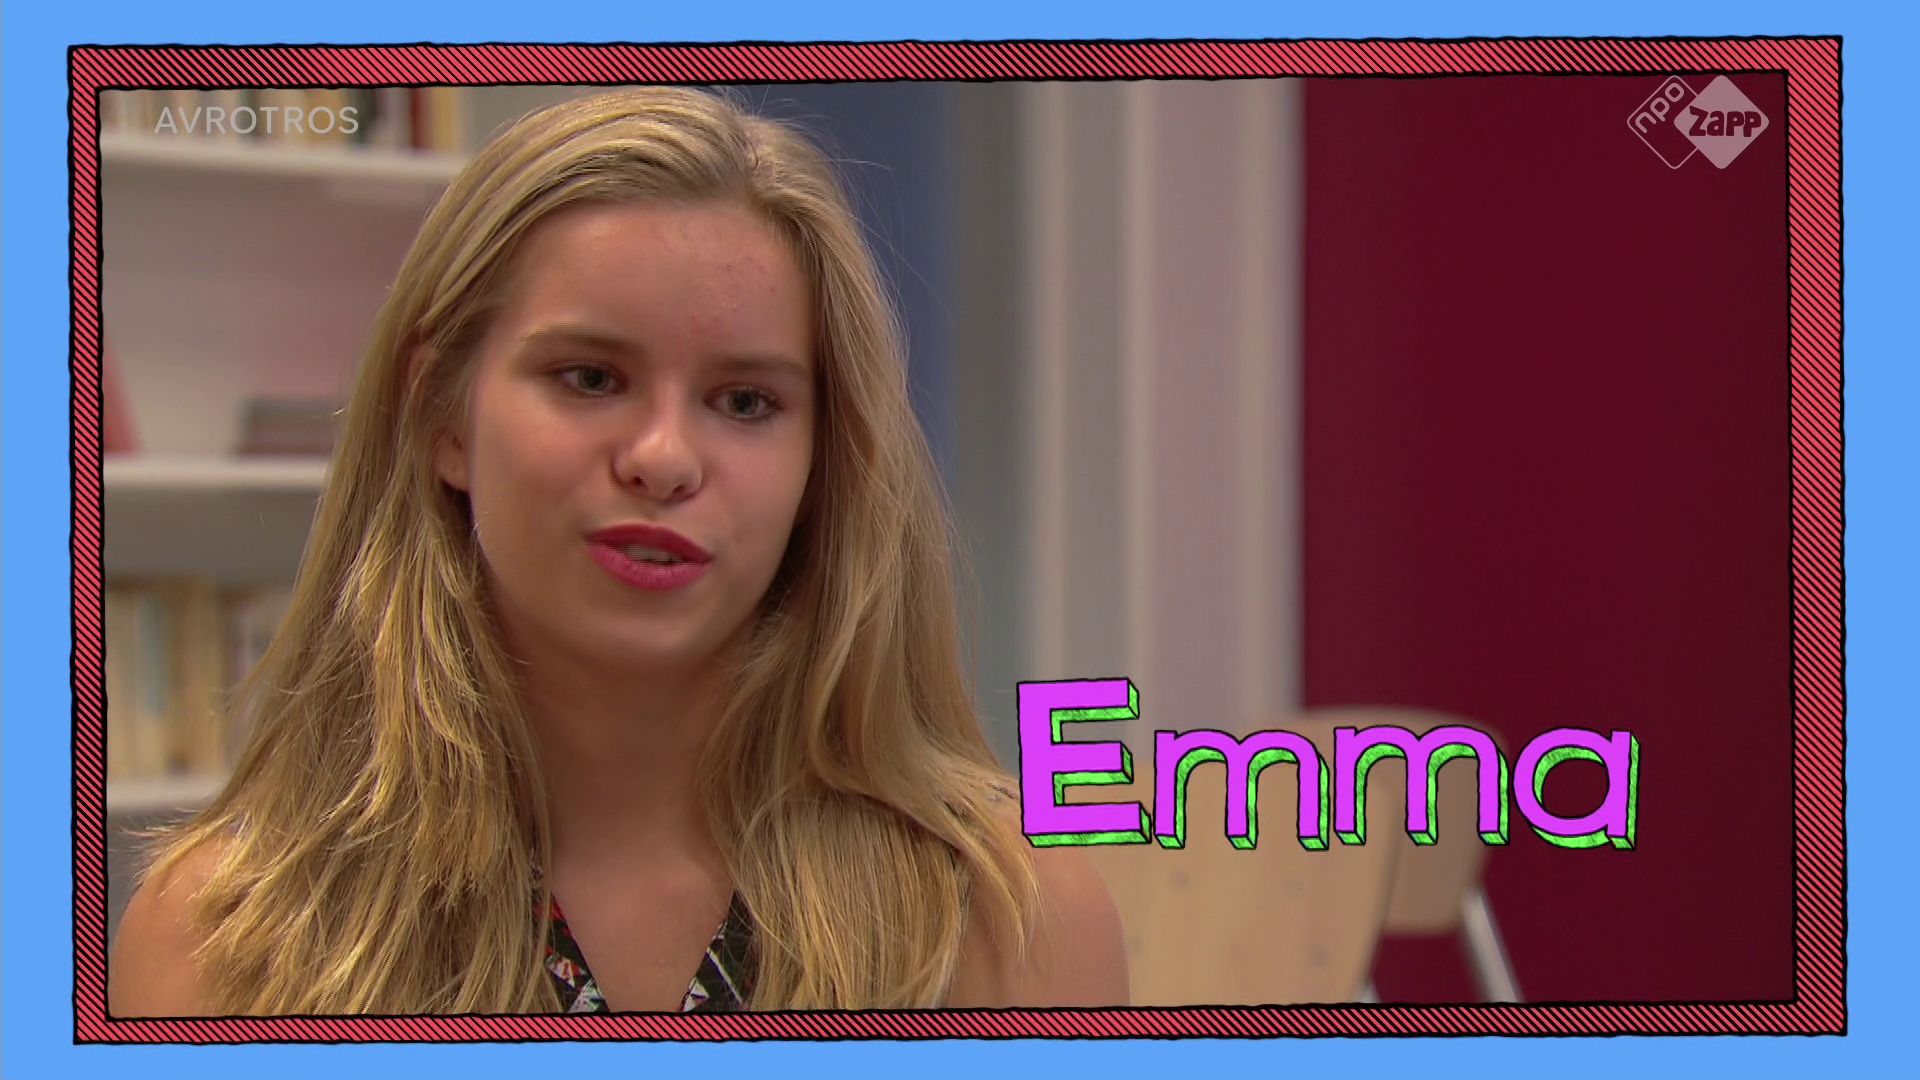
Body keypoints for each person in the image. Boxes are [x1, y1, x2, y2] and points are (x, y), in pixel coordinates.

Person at [108, 86, 1128, 1015]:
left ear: (824, 461)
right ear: (440, 413)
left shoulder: (1009, 919)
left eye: (745, 401)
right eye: (591, 379)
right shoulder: (224, 935)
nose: (664, 458)